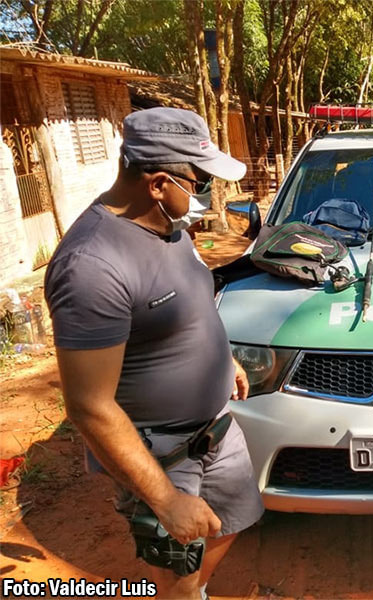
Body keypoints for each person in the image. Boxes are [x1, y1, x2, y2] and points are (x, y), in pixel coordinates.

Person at [45, 107, 264, 598]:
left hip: (215, 428)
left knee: (230, 523)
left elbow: (186, 304)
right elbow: (88, 406)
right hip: (163, 454)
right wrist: (164, 499)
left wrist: (220, 356)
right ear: (160, 183)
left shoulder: (169, 229)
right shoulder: (93, 267)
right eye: (202, 180)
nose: (209, 192)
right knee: (176, 576)